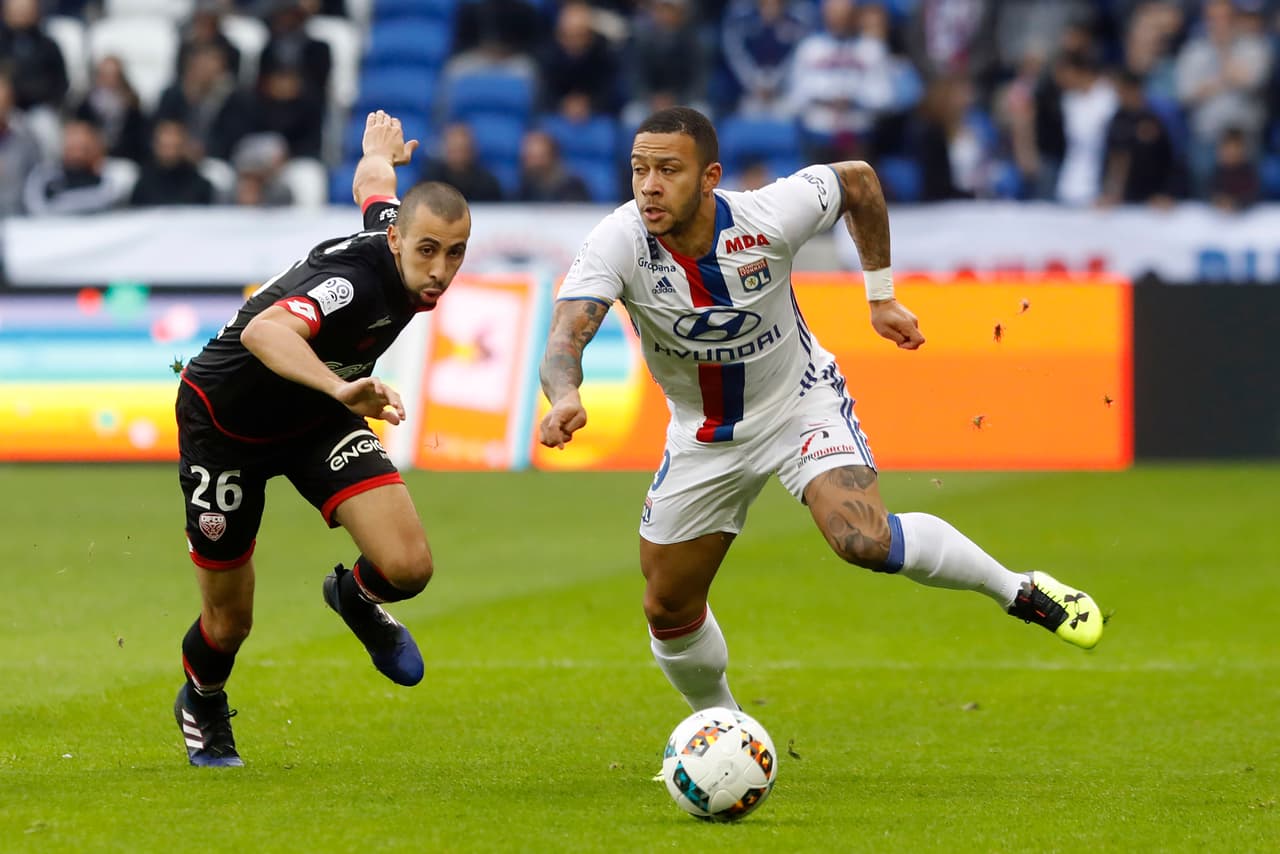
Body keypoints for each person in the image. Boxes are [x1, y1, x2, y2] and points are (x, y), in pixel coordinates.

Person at [537, 106, 1105, 717]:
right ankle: (727, 726)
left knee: (862, 538)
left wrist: (880, 297)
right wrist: (566, 394)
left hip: (798, 404)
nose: (649, 184)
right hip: (704, 436)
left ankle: (1018, 590)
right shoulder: (616, 240)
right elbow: (565, 338)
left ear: (710, 177)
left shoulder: (768, 215)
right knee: (667, 607)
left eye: (668, 169)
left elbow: (858, 180)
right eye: (639, 169)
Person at [173, 110, 471, 766]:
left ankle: (356, 597)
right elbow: (265, 333)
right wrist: (341, 390)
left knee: (408, 568)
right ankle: (203, 697)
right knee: (230, 622)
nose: (441, 271)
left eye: (455, 253)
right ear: (395, 241)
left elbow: (372, 186)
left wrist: (378, 154)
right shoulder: (352, 283)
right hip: (224, 425)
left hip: (314, 412)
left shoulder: (394, 231)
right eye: (428, 250)